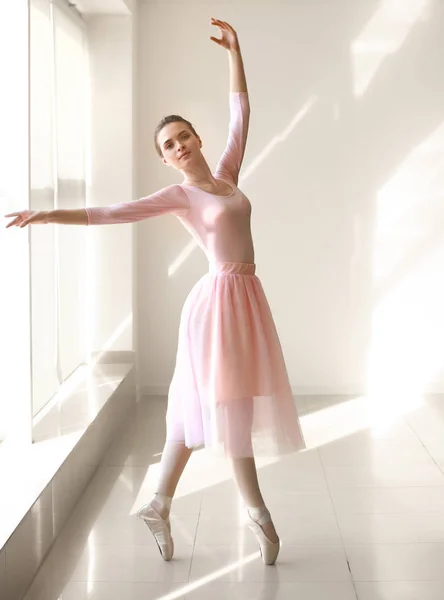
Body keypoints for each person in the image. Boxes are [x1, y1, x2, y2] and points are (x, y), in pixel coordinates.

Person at [5, 18, 305, 565]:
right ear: (165, 159)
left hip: (245, 298)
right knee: (227, 406)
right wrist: (49, 213)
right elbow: (112, 213)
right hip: (217, 305)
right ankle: (257, 513)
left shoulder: (227, 176)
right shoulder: (180, 195)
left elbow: (242, 113)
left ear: (197, 138)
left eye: (185, 135)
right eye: (170, 144)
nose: (180, 145)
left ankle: (160, 502)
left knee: (206, 409)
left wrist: (235, 52)